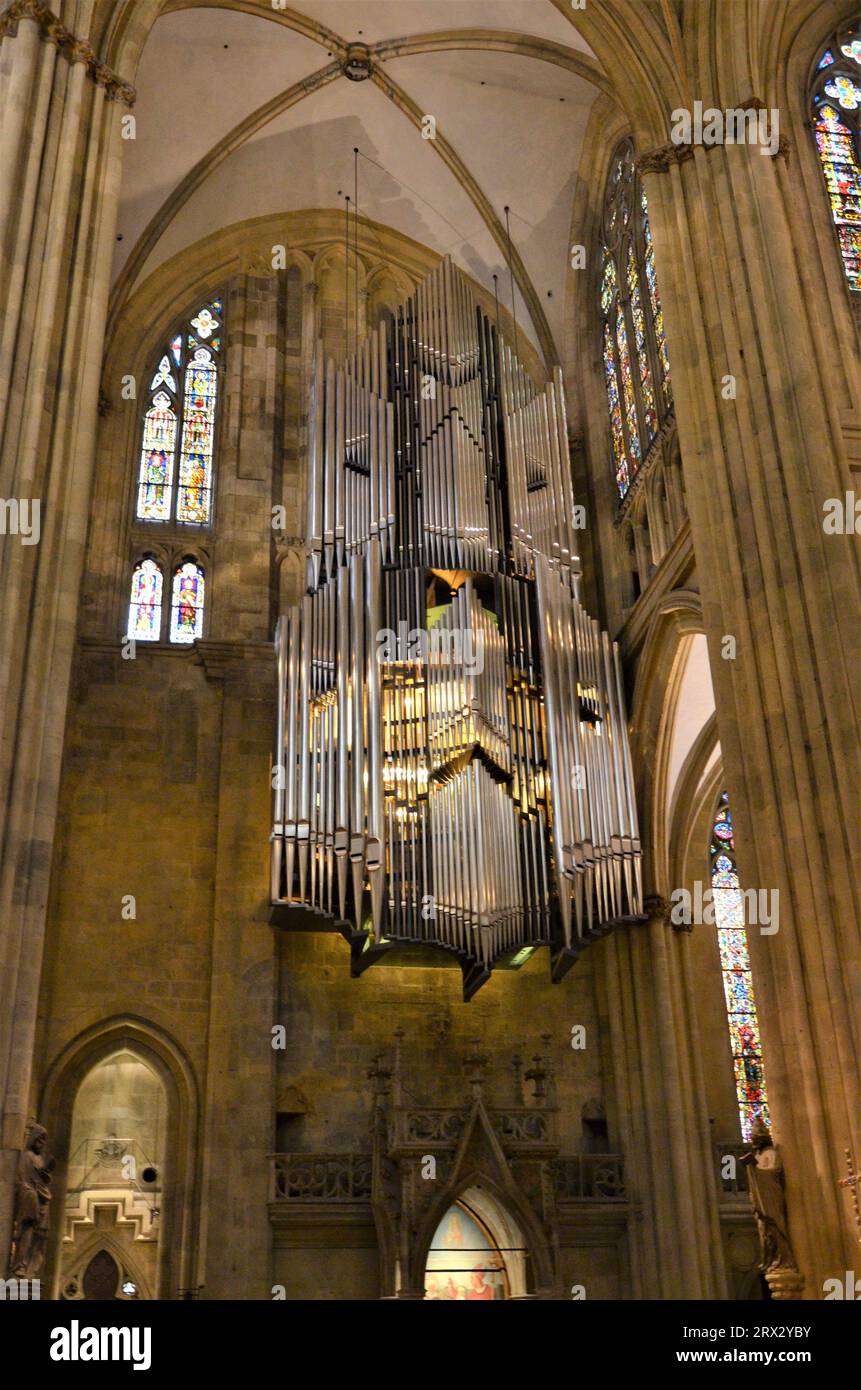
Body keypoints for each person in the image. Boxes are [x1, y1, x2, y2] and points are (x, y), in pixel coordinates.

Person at [10, 1123, 54, 1279]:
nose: (42, 1144)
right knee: (27, 1232)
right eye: (40, 1139)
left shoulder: (39, 1158)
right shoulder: (27, 1156)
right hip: (31, 1200)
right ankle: (20, 1265)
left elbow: (41, 1180)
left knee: (40, 1237)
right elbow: (22, 1180)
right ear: (33, 1139)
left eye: (44, 1141)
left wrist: (46, 1172)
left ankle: (32, 1269)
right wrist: (31, 1195)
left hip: (42, 1200)